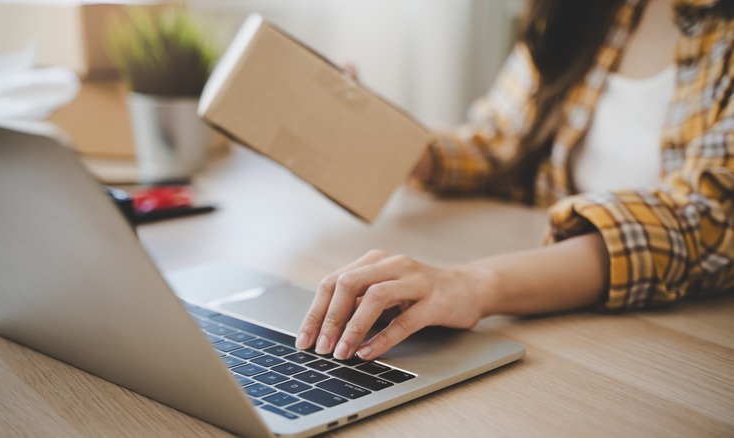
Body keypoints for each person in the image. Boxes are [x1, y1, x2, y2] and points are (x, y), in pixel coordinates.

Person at [295, 0, 734, 362]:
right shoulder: (585, 12)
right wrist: (386, 136)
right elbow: (500, 142)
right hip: (565, 326)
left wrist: (472, 284)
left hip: (668, 347)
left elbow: (703, 220)